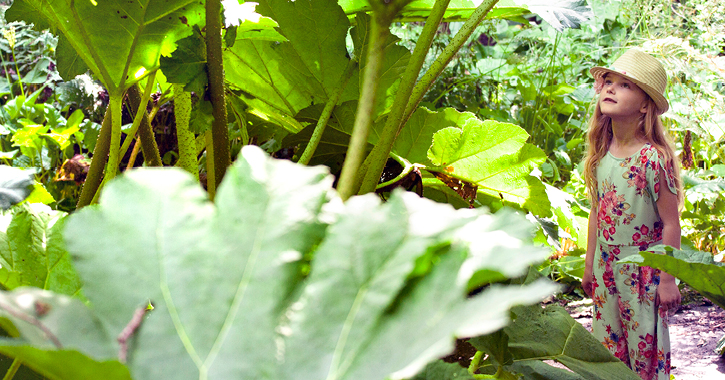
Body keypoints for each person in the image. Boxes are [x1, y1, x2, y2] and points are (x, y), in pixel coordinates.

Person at [581, 49, 683, 380]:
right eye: (608, 81)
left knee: (644, 351)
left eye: (624, 85)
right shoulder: (600, 155)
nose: (610, 88)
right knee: (607, 349)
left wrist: (668, 279)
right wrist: (589, 266)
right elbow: (597, 214)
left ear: (644, 105)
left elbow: (671, 222)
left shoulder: (653, 159)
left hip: (643, 273)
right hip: (606, 269)